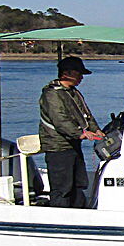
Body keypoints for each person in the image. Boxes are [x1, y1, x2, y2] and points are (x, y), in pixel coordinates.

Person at [39, 56, 104, 208]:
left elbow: (86, 114)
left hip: (73, 146)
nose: (81, 77)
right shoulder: (52, 94)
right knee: (62, 188)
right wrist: (80, 133)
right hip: (58, 148)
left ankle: (80, 212)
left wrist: (96, 129)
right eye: (79, 73)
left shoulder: (74, 92)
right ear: (66, 73)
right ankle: (59, 216)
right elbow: (60, 119)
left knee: (78, 183)